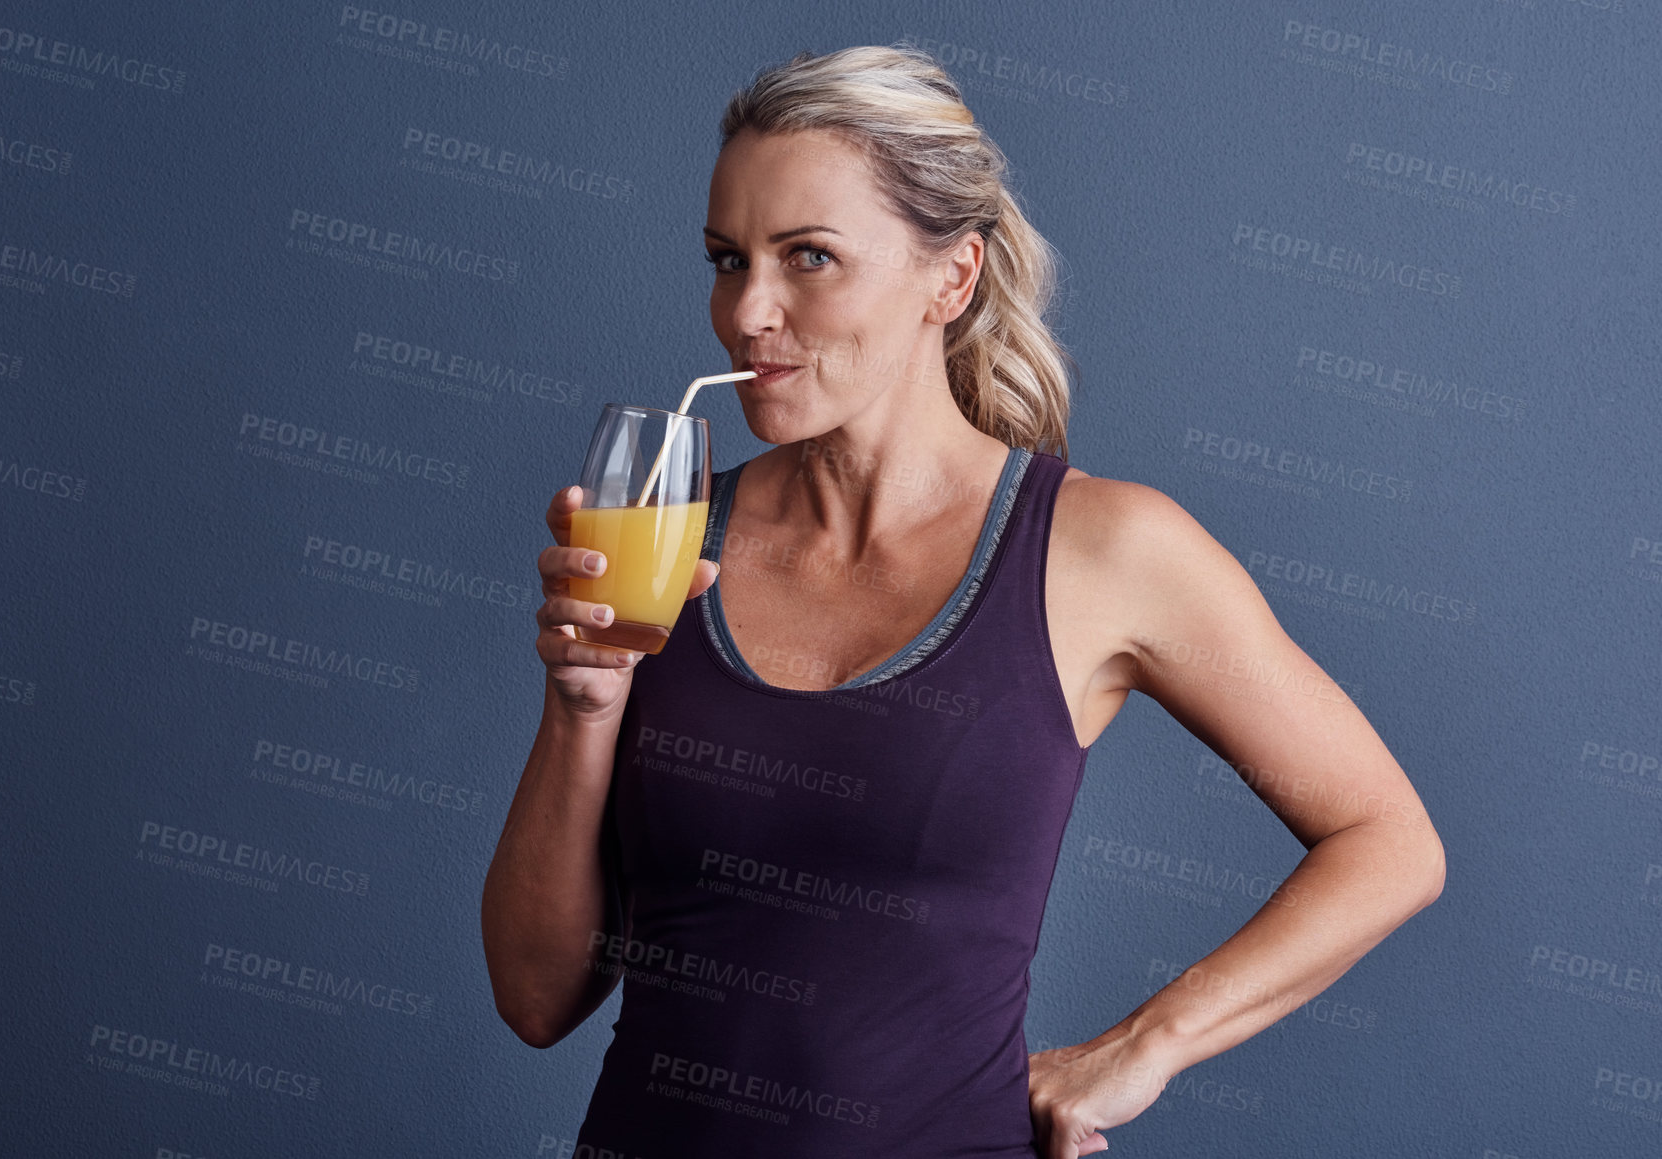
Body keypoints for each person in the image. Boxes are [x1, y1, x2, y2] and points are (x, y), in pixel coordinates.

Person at [481, 44, 1445, 1158]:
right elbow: (536, 998)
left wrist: (1145, 1044)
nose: (748, 310)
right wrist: (582, 706)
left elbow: (1387, 839)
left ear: (952, 277)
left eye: (808, 257)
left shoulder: (1102, 551)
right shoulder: (662, 540)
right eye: (725, 258)